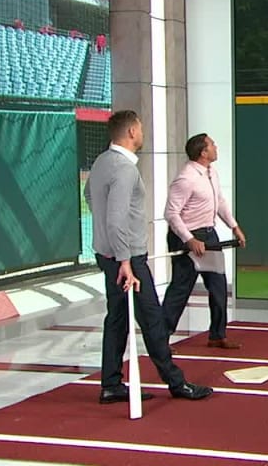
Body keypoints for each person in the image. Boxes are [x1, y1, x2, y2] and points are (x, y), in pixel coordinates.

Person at [85, 110, 213, 403]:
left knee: (116, 319)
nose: (143, 133)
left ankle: (111, 383)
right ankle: (176, 382)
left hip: (108, 255)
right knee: (152, 319)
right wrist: (126, 262)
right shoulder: (124, 168)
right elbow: (116, 219)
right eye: (140, 128)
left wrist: (110, 244)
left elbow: (90, 198)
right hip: (127, 259)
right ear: (131, 132)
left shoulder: (103, 162)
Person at [162, 133, 247, 349]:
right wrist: (189, 239)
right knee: (181, 288)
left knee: (218, 286)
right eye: (212, 144)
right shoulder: (186, 178)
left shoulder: (211, 173)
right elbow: (171, 214)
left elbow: (219, 201)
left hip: (209, 235)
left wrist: (234, 227)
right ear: (203, 152)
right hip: (187, 237)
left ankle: (217, 335)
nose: (216, 147)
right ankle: (160, 338)